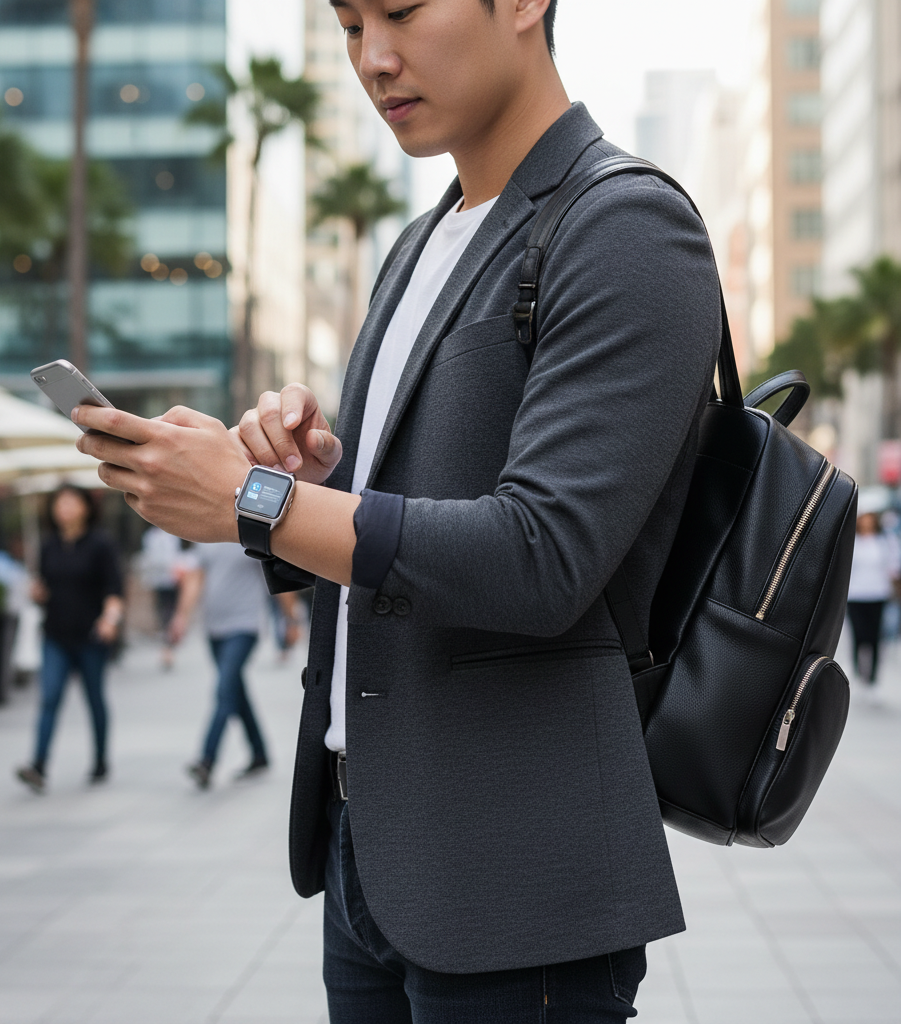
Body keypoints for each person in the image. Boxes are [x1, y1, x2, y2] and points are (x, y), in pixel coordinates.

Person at [71, 0, 722, 1018]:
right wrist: (303, 474)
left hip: (517, 873)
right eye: (346, 23)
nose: (374, 57)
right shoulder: (422, 242)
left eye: (404, 10)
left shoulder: (626, 223)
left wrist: (258, 503)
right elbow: (403, 531)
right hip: (370, 846)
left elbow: (542, 556)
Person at [16, 485, 124, 793]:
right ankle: (38, 764)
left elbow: (114, 589)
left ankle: (101, 760)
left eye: (70, 502)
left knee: (94, 699)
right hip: (55, 635)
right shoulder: (49, 545)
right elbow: (44, 587)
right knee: (49, 698)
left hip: (91, 636)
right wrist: (37, 593)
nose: (63, 508)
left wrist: (110, 620)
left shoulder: (101, 544)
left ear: (85, 507)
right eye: (58, 503)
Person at [168, 543, 302, 788]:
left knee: (224, 690)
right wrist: (181, 616)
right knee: (234, 691)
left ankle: (206, 760)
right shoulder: (206, 538)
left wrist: (291, 621)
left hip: (244, 627)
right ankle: (259, 753)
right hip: (213, 630)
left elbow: (279, 581)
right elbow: (195, 580)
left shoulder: (249, 539)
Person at [847, 511, 900, 685]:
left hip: (877, 594)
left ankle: (873, 676)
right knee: (858, 634)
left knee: (875, 636)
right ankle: (857, 671)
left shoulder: (885, 542)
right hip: (855, 595)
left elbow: (894, 566)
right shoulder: (852, 542)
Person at [138, 525, 186, 670]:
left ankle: (168, 646)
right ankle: (167, 644)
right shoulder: (150, 536)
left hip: (171, 579)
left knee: (168, 612)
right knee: (163, 612)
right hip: (159, 580)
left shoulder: (172, 533)